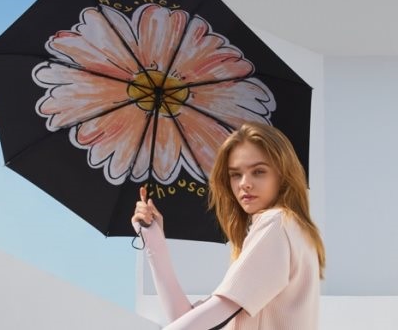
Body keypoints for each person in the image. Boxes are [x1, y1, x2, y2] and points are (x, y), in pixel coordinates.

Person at [131, 122, 326, 329]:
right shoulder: (291, 229)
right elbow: (187, 318)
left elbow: (215, 312)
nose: (244, 183)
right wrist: (153, 239)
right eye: (235, 174)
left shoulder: (276, 223)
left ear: (283, 174)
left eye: (259, 171)